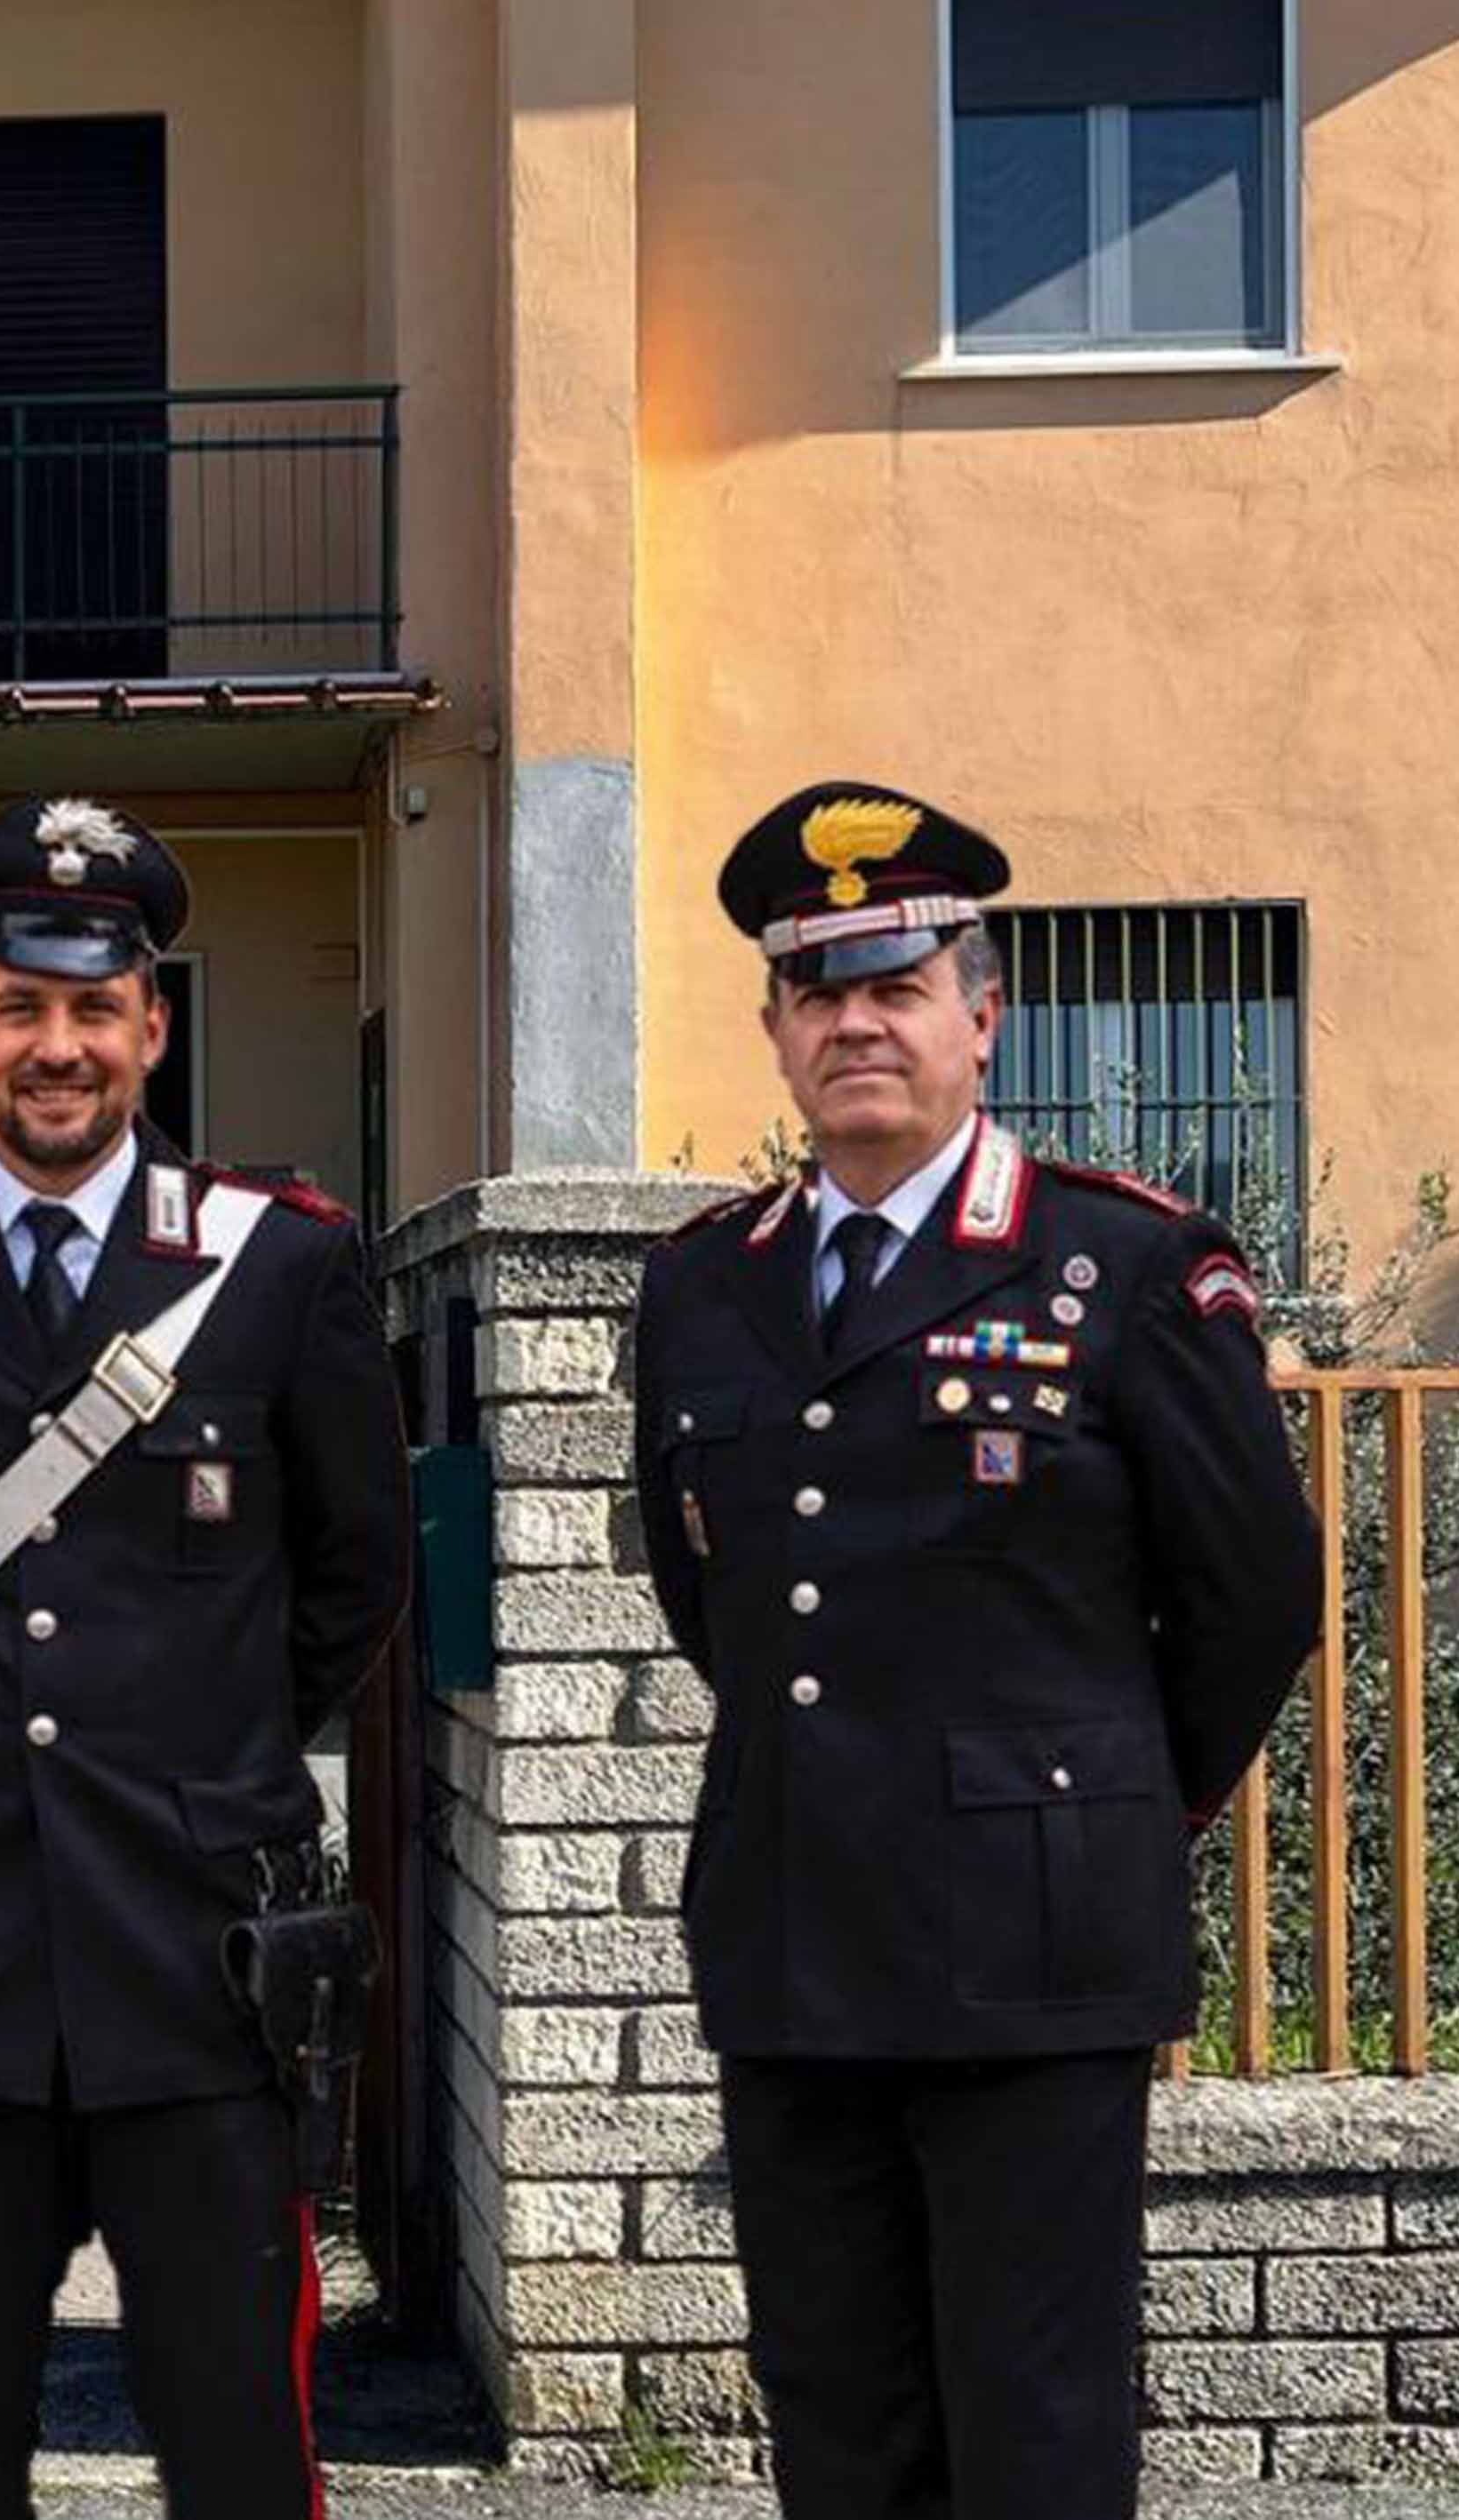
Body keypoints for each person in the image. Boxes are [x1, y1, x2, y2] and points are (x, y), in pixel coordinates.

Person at [632, 782, 1321, 2520]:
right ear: (774, 1030)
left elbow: (1251, 1594)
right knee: (836, 2423)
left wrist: (1084, 1803)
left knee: (1033, 2428)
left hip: (1033, 1948)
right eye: (817, 992)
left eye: (898, 985)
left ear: (981, 1015)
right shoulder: (703, 1286)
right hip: (796, 1931)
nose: (856, 1025)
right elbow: (709, 1591)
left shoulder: (1121, 1264)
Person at [0, 795, 412, 2520]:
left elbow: (355, 1572)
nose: (58, 1047)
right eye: (18, 1006)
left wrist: (197, 1752)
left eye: (94, 1007)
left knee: (238, 2445)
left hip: (197, 1954)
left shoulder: (278, 1263)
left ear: (151, 1027)